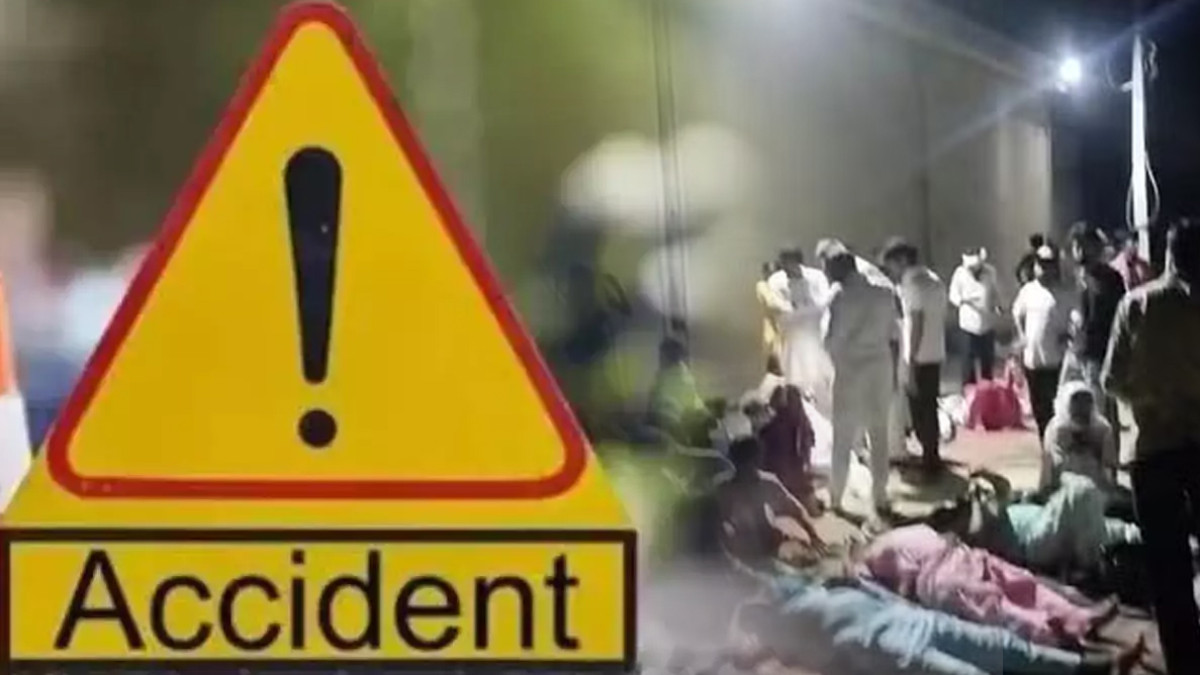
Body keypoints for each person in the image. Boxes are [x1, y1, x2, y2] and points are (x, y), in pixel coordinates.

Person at [1103, 218, 1200, 674]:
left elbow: (1111, 379)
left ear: (1169, 255)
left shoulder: (1137, 304)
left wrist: (1154, 399)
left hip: (1153, 449)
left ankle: (1184, 661)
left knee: (1167, 565)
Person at [732, 573, 1142, 675]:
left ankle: (1096, 667)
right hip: (893, 647)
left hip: (915, 621)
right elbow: (757, 651)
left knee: (1007, 648)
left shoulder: (818, 589)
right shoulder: (779, 625)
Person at [857, 524, 1117, 647]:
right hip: (964, 558)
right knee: (1022, 587)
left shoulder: (878, 551)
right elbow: (948, 536)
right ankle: (1072, 620)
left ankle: (1058, 631)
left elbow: (906, 580)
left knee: (1001, 607)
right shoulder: (915, 530)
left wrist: (909, 611)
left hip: (944, 574)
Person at [820, 242, 899, 518]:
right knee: (879, 433)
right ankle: (881, 496)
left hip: (851, 369)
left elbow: (829, 340)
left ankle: (836, 496)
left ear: (837, 270)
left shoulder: (838, 297)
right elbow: (893, 335)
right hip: (880, 366)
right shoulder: (885, 293)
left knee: (843, 436)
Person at [880, 238, 948, 474]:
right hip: (936, 352)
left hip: (918, 356)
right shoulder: (934, 279)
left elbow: (916, 324)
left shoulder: (912, 284)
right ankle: (932, 455)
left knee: (920, 411)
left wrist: (909, 361)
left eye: (891, 265)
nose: (892, 272)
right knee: (930, 408)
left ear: (901, 260)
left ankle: (930, 462)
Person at [717, 436, 826, 569]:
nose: (747, 467)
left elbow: (796, 511)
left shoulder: (767, 483)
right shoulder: (725, 489)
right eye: (743, 462)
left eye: (750, 461)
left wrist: (813, 536)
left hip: (769, 540)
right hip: (743, 547)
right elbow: (718, 524)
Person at [1063, 222, 1125, 442]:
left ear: (1096, 247)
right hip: (1076, 352)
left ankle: (1107, 453)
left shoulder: (1110, 279)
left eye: (1084, 245)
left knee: (1100, 411)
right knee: (1069, 406)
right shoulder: (1076, 277)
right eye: (1075, 246)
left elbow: (1118, 318)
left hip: (1100, 355)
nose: (1079, 251)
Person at [1013, 244, 1078, 439]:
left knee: (1058, 407)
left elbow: (1077, 317)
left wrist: (1069, 333)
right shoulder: (1028, 291)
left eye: (1048, 264)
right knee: (1039, 408)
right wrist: (1022, 336)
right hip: (1033, 360)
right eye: (1040, 264)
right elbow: (1018, 313)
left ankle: (1058, 443)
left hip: (1057, 361)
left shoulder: (1065, 292)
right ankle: (1046, 443)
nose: (1043, 269)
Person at [767, 248, 833, 412]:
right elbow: (780, 313)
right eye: (783, 265)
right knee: (797, 385)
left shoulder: (816, 277)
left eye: (789, 264)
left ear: (798, 262)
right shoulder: (775, 281)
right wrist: (804, 312)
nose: (786, 269)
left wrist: (799, 311)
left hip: (816, 339)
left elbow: (823, 306)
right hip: (792, 342)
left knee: (822, 384)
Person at [1039, 382, 1118, 497]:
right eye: (1076, 403)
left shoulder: (1102, 428)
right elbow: (1050, 466)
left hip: (1097, 489)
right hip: (1063, 489)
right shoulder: (1055, 429)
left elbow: (1109, 464)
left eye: (1086, 402)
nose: (1081, 408)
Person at [758, 384, 822, 515]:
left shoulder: (770, 428)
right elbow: (805, 454)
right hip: (790, 478)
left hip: (783, 478)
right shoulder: (801, 425)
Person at [647, 337, 713, 446]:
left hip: (671, 428)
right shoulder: (669, 375)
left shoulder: (678, 378)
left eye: (662, 355)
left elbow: (667, 409)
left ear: (667, 357)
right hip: (668, 427)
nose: (660, 359)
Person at [949, 247, 1001, 385]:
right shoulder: (959, 273)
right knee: (968, 362)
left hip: (987, 323)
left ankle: (987, 391)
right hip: (968, 325)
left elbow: (995, 292)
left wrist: (997, 305)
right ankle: (969, 390)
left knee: (987, 361)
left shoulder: (990, 272)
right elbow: (953, 294)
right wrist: (963, 300)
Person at [754, 261, 790, 360]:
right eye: (770, 273)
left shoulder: (786, 285)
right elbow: (771, 302)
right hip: (773, 330)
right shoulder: (762, 286)